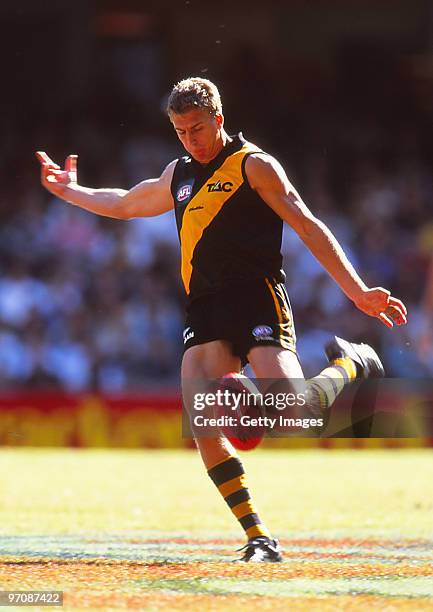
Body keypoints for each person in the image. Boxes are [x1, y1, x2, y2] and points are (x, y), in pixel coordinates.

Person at [36, 77, 407, 563]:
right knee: (202, 421)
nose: (190, 139)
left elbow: (308, 226)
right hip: (206, 309)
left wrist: (357, 292)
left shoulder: (255, 166)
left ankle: (351, 362)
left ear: (219, 120)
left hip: (258, 301)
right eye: (181, 131)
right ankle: (259, 537)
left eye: (197, 128)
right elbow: (127, 203)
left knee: (297, 414)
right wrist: (71, 192)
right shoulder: (179, 173)